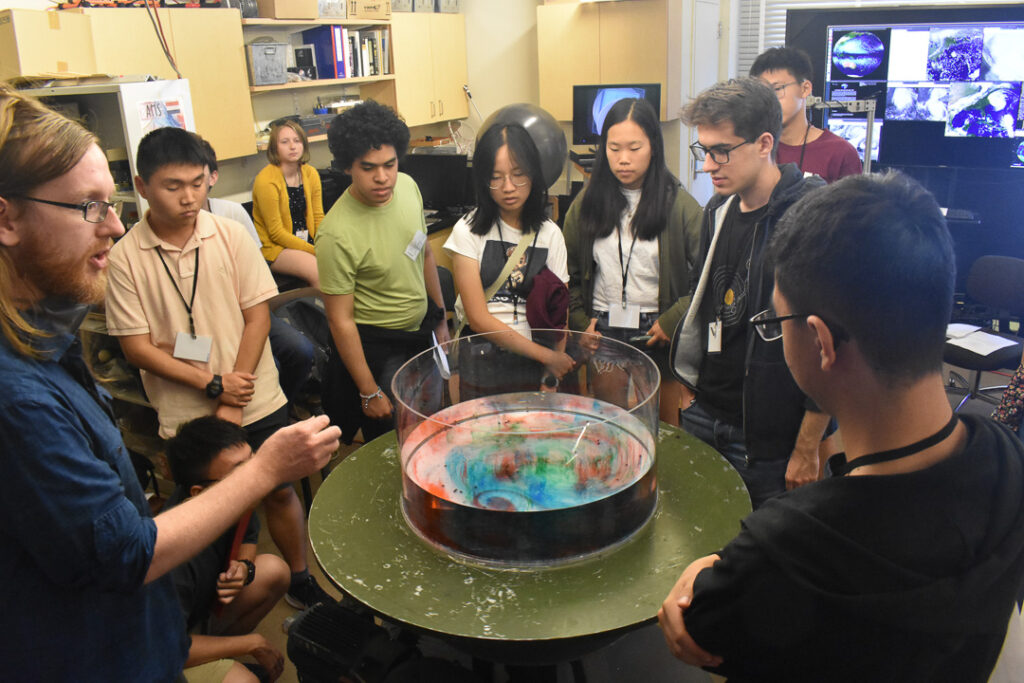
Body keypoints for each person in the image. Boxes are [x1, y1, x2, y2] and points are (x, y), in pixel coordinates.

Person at [0, 84, 339, 681]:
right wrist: (252, 452)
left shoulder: (46, 341)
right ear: (7, 218)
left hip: (137, 633)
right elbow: (126, 553)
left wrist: (239, 388)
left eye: (108, 203)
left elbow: (257, 313)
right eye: (88, 206)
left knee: (257, 522)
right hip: (103, 652)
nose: (110, 225)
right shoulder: (19, 393)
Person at [658, 171, 1024, 682]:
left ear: (821, 342)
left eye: (775, 322)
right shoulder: (1008, 461)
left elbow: (699, 627)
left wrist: (700, 571)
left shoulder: (783, 552)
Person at [105, 127, 332, 610]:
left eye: (197, 183)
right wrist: (213, 385)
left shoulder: (228, 233)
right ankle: (208, 595)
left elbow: (258, 317)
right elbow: (137, 348)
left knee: (277, 488)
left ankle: (298, 578)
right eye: (173, 186)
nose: (189, 197)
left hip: (256, 393)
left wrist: (235, 389)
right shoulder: (125, 257)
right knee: (205, 506)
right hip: (189, 409)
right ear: (142, 186)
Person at [672, 78, 830, 509]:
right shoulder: (717, 211)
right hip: (706, 413)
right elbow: (703, 300)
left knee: (766, 560)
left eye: (720, 151)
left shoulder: (810, 216)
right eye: (703, 151)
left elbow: (831, 337)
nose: (708, 166)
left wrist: (807, 445)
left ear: (764, 143)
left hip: (769, 435)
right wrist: (690, 389)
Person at [563, 98, 702, 425]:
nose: (623, 159)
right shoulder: (587, 202)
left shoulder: (678, 203)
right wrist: (580, 320)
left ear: (653, 146)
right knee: (611, 426)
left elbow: (709, 273)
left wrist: (673, 320)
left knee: (661, 429)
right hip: (603, 326)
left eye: (634, 148)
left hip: (657, 328)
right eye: (613, 148)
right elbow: (564, 270)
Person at [317, 100, 449, 444]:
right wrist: (368, 391)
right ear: (348, 166)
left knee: (431, 431)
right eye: (368, 167)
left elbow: (425, 255)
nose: (382, 177)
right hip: (380, 351)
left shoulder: (407, 187)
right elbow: (340, 321)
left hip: (422, 338)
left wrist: (440, 321)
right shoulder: (336, 233)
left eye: (389, 164)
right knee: (396, 447)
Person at [443, 122, 574, 399]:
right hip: (483, 363)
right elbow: (478, 318)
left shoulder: (550, 234)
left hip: (534, 366)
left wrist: (551, 374)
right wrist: (548, 357)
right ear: (482, 179)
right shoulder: (466, 230)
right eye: (496, 177)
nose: (509, 187)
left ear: (533, 175)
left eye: (518, 175)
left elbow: (559, 314)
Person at [166, 417, 291, 683]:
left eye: (253, 460)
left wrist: (244, 567)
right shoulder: (171, 559)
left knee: (275, 572)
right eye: (240, 470)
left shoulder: (228, 499)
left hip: (190, 621)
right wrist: (249, 643)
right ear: (198, 492)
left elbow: (248, 533)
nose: (257, 474)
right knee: (243, 681)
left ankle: (215, 655)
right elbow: (164, 647)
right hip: (160, 652)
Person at [200, 138, 315, 405]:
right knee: (263, 366)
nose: (187, 194)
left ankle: (282, 409)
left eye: (196, 180)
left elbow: (256, 269)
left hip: (246, 310)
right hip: (206, 321)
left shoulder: (231, 213)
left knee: (300, 350)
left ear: (212, 177)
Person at [749, 46, 862, 183]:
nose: (770, 100)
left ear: (805, 89)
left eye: (777, 89)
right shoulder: (754, 148)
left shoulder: (840, 152)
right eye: (763, 92)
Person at [252, 120, 324, 289]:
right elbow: (276, 233)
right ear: (275, 147)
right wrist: (314, 250)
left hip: (307, 242)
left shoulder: (310, 173)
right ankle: (324, 315)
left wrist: (325, 244)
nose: (293, 146)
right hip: (276, 249)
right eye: (285, 142)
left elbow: (319, 216)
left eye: (297, 141)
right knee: (318, 270)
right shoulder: (266, 181)